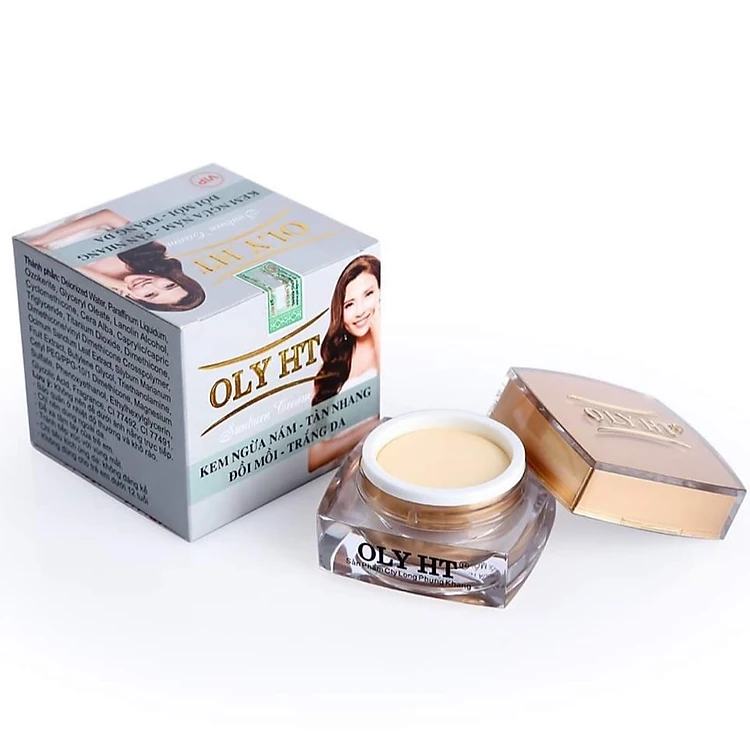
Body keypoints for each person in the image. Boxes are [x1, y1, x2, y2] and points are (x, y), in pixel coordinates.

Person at [24, 209, 205, 312]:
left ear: (138, 299)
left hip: (25, 236)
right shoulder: (150, 252)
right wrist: (40, 240)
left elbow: (41, 256)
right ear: (173, 277)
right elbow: (107, 216)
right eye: (168, 285)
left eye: (150, 295)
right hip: (57, 215)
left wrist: (111, 282)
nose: (149, 285)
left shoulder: (100, 293)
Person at [308, 255, 381, 472]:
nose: (360, 311)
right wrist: (371, 426)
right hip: (339, 477)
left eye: (368, 294)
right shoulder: (331, 367)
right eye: (349, 304)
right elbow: (314, 457)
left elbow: (393, 407)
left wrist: (378, 327)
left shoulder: (393, 350)